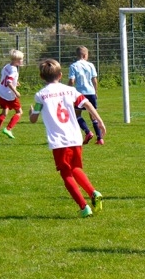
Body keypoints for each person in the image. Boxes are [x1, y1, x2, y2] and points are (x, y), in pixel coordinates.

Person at [29, 59, 106, 217]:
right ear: (60, 75)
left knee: (66, 173)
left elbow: (33, 119)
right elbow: (87, 104)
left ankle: (84, 207)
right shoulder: (70, 90)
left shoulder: (40, 96)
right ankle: (93, 192)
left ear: (41, 77)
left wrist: (31, 112)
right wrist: (99, 121)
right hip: (75, 137)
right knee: (75, 168)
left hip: (59, 141)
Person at [68, 45, 104, 145]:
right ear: (84, 55)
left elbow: (72, 80)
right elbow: (94, 80)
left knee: (77, 115)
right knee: (93, 115)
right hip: (91, 92)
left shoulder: (73, 66)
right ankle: (100, 139)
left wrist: (69, 91)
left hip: (79, 94)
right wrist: (95, 91)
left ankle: (88, 132)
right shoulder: (91, 65)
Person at [0, 49, 24, 139]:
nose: (22, 61)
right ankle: (8, 129)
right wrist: (16, 92)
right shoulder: (14, 70)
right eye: (21, 59)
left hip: (1, 92)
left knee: (4, 112)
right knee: (19, 112)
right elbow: (8, 82)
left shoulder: (6, 66)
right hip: (9, 94)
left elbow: (5, 77)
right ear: (16, 60)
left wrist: (15, 82)